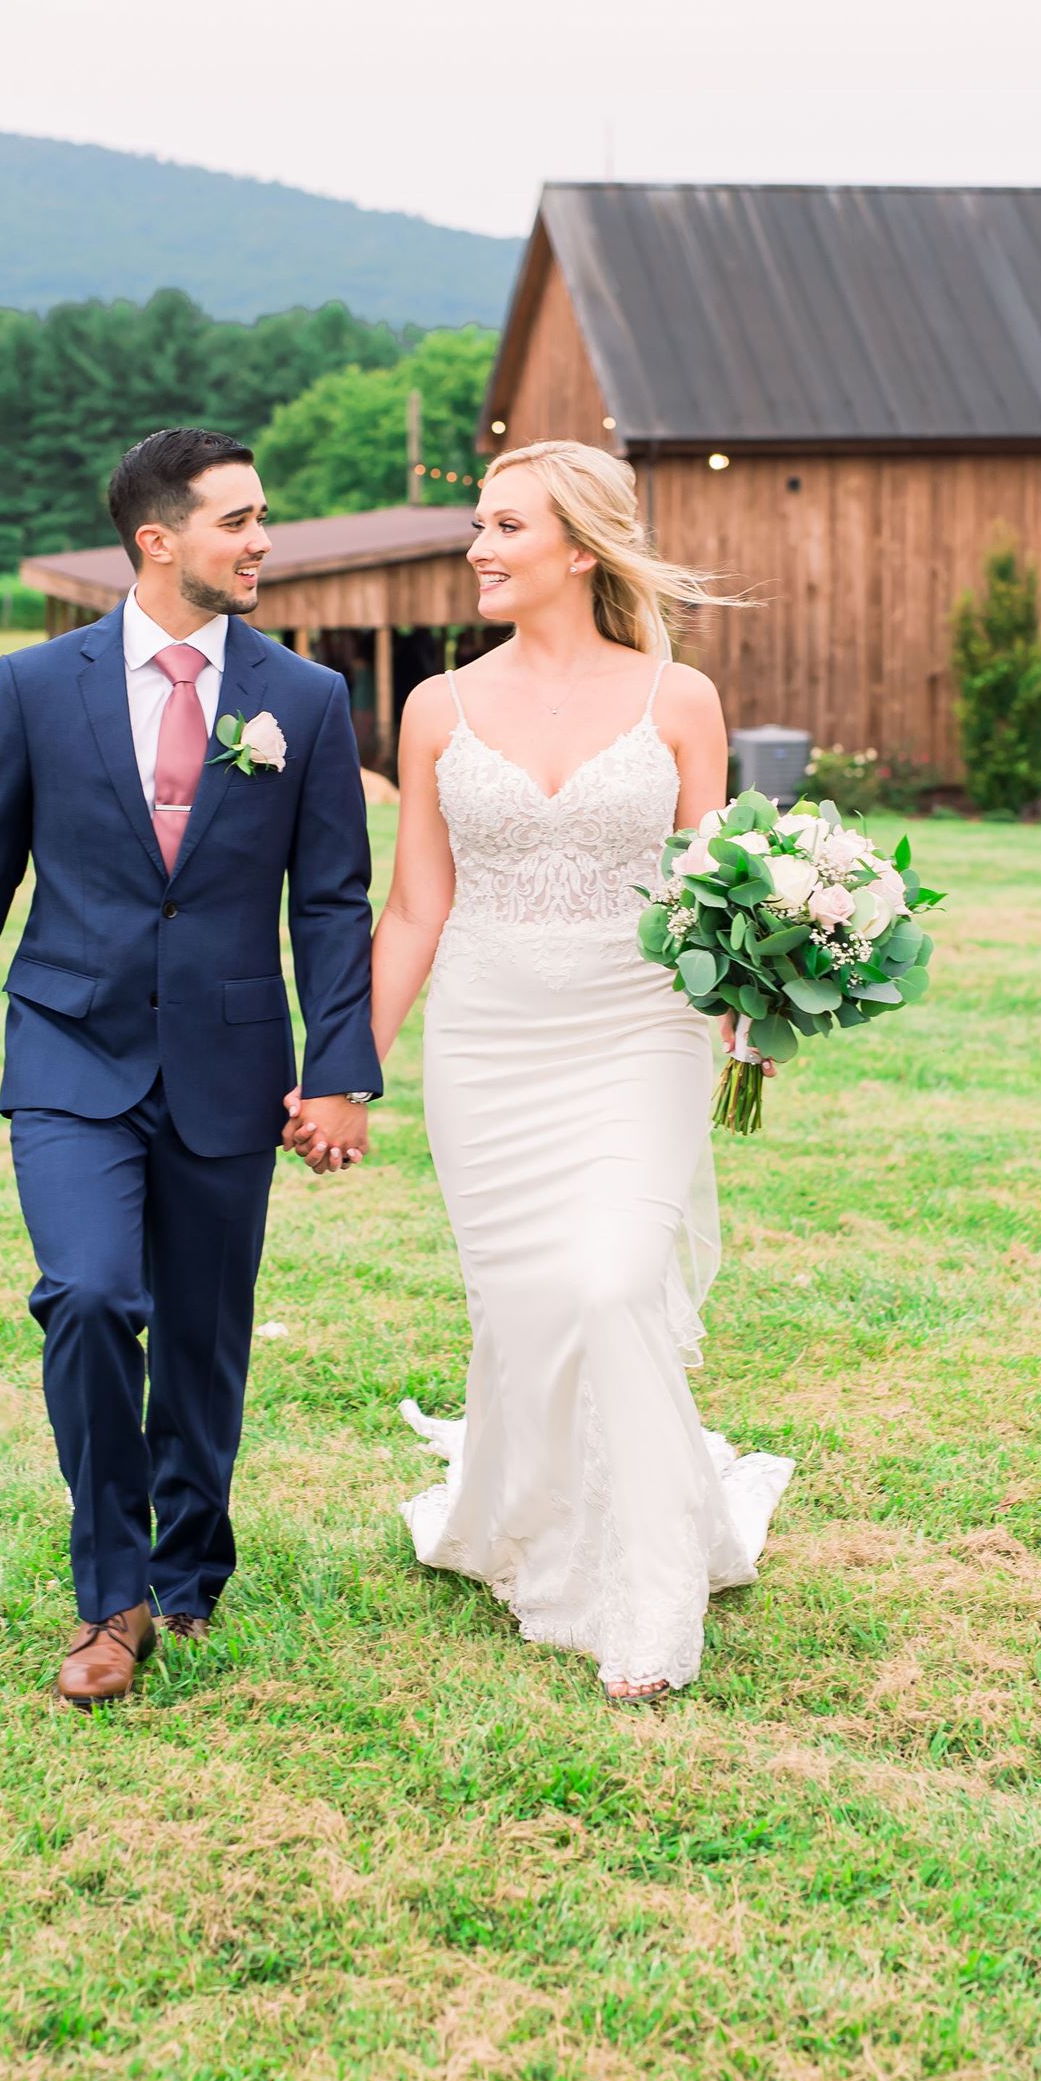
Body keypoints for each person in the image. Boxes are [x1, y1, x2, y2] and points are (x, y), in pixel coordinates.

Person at [293, 439, 792, 1703]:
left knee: (614, 1280)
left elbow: (711, 896)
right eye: (478, 523)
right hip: (486, 1041)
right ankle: (534, 1524)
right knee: (528, 1310)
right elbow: (412, 907)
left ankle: (642, 1594)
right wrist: (344, 1065)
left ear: (578, 545)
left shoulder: (678, 701)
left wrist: (759, 1005)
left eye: (503, 526)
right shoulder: (437, 708)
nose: (477, 547)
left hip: (638, 1034)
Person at [0, 430, 380, 1706]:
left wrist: (342, 1067)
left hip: (230, 1057)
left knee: (207, 1338)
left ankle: (189, 1567)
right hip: (67, 1048)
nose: (262, 540)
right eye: (238, 520)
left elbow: (330, 903)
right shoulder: (33, 686)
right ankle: (112, 1596)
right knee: (91, 1296)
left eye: (263, 516)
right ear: (156, 540)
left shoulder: (305, 701)